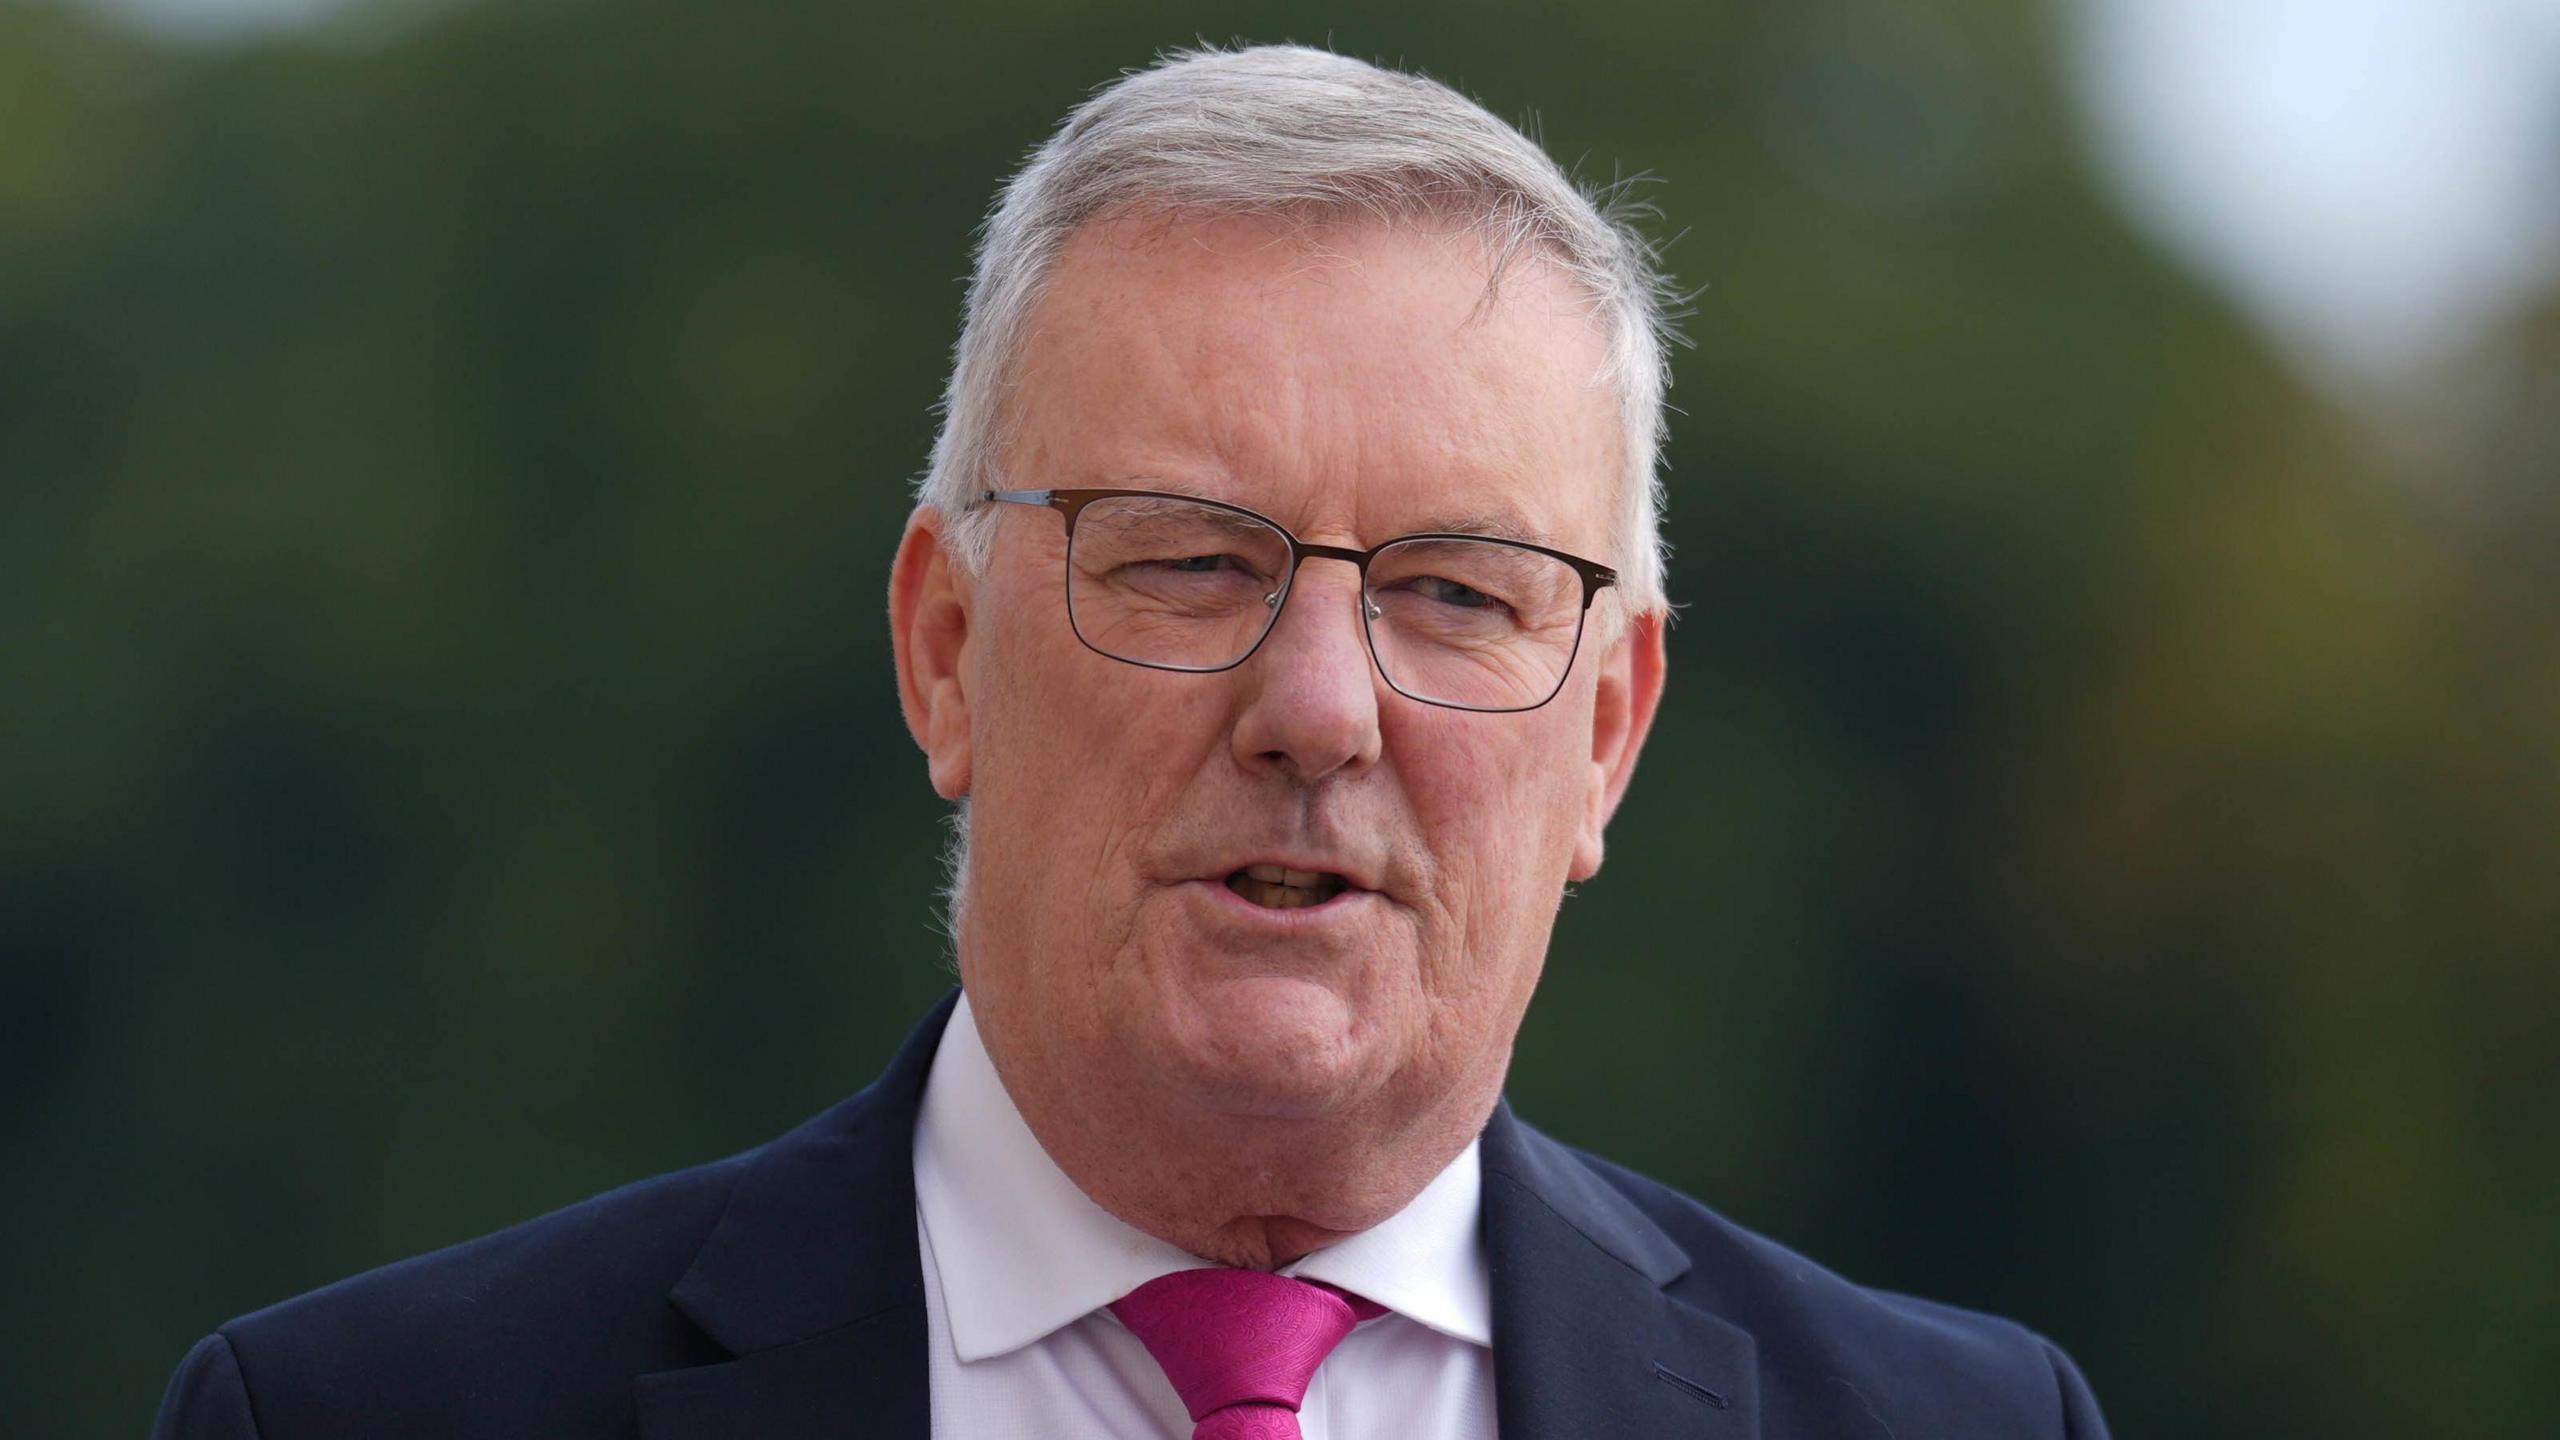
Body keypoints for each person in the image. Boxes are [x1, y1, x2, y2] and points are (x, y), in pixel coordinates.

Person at [154, 44, 2107, 1440]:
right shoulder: (357, 1413)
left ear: (1603, 733)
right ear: (941, 650)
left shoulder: (1952, 1421)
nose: (1320, 709)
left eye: (1453, 593)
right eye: (1187, 562)